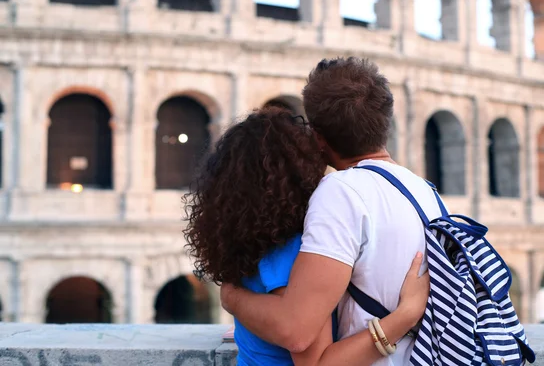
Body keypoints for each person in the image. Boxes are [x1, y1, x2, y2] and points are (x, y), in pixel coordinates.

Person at [220, 58, 443, 365]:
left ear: (318, 138)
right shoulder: (425, 190)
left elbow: (298, 333)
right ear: (384, 124)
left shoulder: (341, 192)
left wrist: (232, 298)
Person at [183, 107, 429, 365]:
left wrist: (235, 302)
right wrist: (406, 315)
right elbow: (300, 340)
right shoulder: (291, 248)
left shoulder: (250, 240)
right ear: (303, 172)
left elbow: (270, 322)